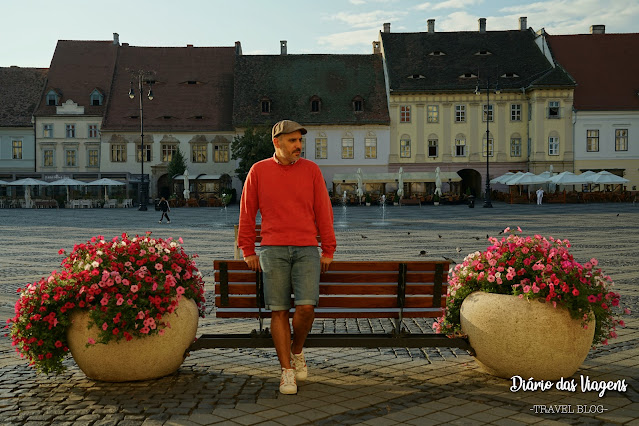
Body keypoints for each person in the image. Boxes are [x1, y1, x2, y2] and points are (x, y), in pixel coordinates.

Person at [238, 119, 336, 395]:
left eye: (300, 141)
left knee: (306, 308)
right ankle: (287, 371)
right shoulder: (258, 171)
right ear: (276, 143)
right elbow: (247, 213)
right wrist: (247, 250)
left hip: (306, 248)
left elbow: (323, 212)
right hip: (273, 249)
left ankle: (296, 350)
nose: (298, 146)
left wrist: (328, 249)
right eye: (292, 141)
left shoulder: (312, 171)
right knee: (279, 310)